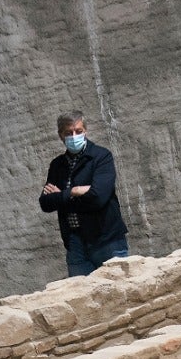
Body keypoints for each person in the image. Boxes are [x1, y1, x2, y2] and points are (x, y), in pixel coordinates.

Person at [38, 112, 129, 277]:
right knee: (81, 297)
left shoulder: (101, 157)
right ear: (61, 136)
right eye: (68, 133)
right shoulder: (57, 165)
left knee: (119, 292)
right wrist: (74, 191)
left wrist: (62, 196)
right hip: (75, 242)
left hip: (106, 239)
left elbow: (98, 197)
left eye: (78, 131)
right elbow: (45, 203)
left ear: (85, 131)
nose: (74, 136)